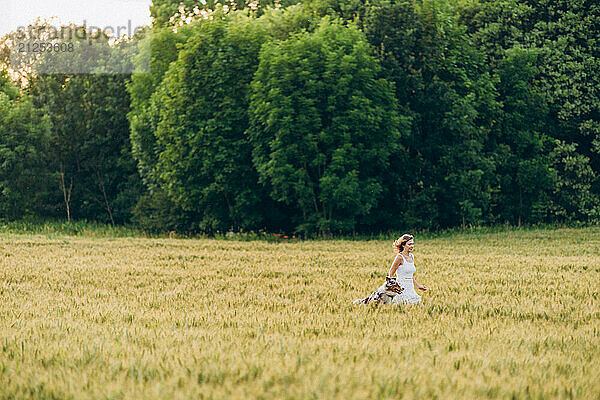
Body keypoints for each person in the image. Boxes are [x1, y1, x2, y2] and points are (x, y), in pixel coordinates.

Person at [388, 234, 427, 305]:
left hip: (410, 288)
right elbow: (391, 273)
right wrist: (392, 287)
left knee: (417, 305)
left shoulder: (412, 256)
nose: (412, 246)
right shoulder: (399, 257)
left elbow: (410, 276)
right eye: (409, 244)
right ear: (403, 245)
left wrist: (418, 286)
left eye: (413, 244)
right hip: (401, 288)